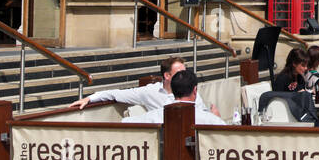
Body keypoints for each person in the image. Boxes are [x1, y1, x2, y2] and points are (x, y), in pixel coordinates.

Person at [70, 56, 214, 114]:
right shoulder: (150, 92)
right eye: (179, 72)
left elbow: (204, 114)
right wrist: (89, 99)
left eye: (185, 71)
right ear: (167, 76)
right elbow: (117, 93)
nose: (185, 75)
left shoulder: (190, 89)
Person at [127, 70, 224, 125]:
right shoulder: (210, 120)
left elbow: (123, 123)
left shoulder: (156, 116)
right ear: (195, 90)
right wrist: (216, 119)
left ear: (173, 90)